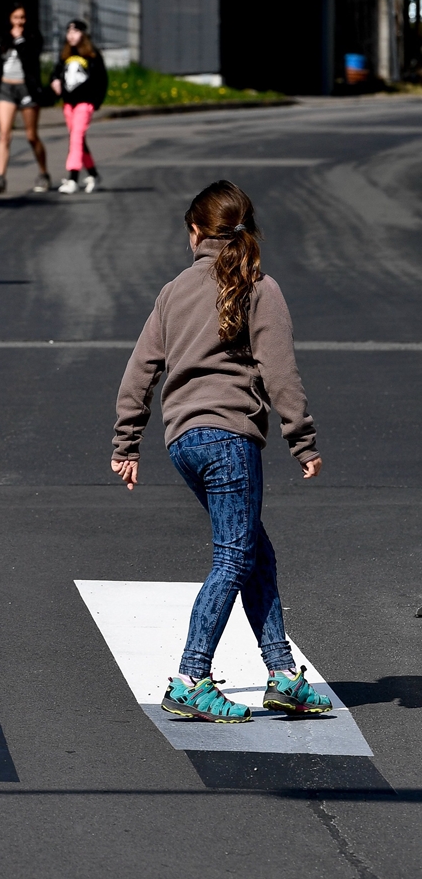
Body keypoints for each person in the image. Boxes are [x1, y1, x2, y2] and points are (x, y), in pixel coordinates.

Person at [111, 180, 333, 724]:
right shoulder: (259, 287)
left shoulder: (173, 290)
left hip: (184, 440)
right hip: (229, 438)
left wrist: (127, 441)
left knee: (254, 550)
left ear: (196, 232)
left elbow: (142, 368)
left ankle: (282, 676)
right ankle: (190, 678)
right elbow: (280, 371)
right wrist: (300, 437)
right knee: (234, 556)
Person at [0, 3, 51, 195]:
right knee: (4, 134)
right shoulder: (2, 37)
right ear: (9, 19)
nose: (19, 21)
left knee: (31, 136)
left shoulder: (32, 36)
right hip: (6, 87)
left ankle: (43, 173)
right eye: (16, 18)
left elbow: (33, 56)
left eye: (22, 17)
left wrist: (20, 41)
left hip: (26, 87)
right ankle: (0, 177)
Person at [49, 19, 108, 194]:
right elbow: (56, 72)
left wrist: (96, 101)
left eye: (75, 32)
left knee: (76, 137)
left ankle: (72, 179)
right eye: (69, 32)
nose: (71, 36)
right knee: (78, 141)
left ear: (83, 34)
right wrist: (54, 81)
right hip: (69, 104)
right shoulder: (66, 54)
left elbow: (102, 79)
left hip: (85, 102)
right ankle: (94, 174)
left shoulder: (92, 55)